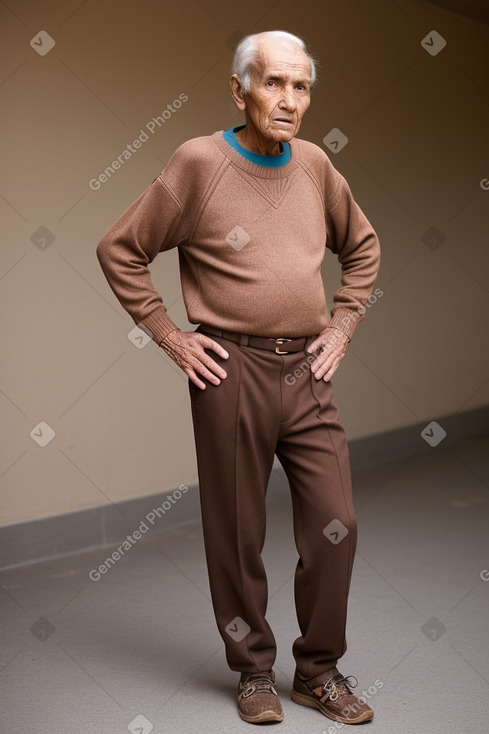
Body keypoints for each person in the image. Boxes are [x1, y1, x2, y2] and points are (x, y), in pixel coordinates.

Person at [96, 30, 381, 726]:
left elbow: (363, 248)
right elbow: (121, 250)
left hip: (305, 368)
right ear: (239, 89)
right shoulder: (199, 162)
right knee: (235, 530)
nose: (288, 100)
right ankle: (253, 668)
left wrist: (340, 327)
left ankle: (318, 672)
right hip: (230, 368)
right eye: (273, 83)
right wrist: (169, 335)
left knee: (336, 521)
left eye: (301, 86)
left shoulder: (314, 165)